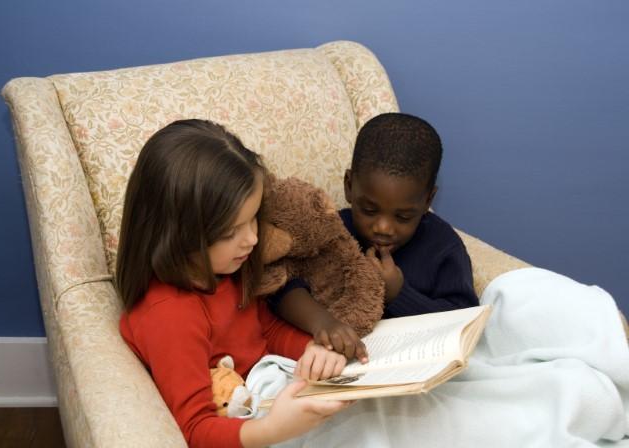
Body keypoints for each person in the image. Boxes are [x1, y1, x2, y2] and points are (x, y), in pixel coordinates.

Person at [115, 119, 350, 448]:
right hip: (253, 424)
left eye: (254, 218)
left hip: (278, 388)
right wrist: (276, 429)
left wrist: (310, 351)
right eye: (230, 232)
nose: (253, 239)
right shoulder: (169, 316)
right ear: (176, 235)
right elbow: (196, 430)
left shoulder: (223, 268)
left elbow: (263, 330)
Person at [269, 112, 479, 359]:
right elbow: (280, 286)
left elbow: (465, 320)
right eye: (369, 210)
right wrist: (323, 322)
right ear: (349, 185)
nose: (383, 227)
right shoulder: (330, 230)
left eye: (403, 217)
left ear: (427, 200)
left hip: (415, 362)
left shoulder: (442, 246)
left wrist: (399, 294)